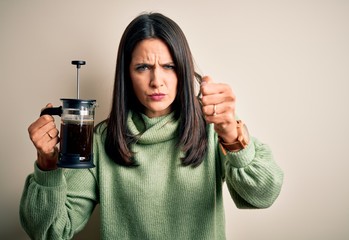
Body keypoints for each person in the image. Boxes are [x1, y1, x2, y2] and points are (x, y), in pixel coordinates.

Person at [20, 12, 284, 240]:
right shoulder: (101, 139)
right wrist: (47, 166)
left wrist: (231, 135)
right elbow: (51, 232)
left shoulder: (213, 128)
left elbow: (264, 194)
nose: (157, 80)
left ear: (183, 70)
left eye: (168, 66)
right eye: (143, 67)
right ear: (127, 75)